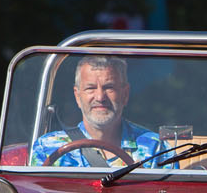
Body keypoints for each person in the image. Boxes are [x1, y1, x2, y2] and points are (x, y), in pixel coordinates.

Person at [30, 56, 164, 168]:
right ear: (77, 96)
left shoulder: (155, 149)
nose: (100, 97)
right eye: (90, 88)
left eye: (109, 87)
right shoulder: (48, 148)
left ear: (125, 94)